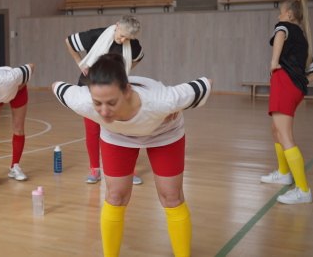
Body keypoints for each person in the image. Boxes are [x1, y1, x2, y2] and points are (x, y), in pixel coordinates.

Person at [52, 53, 213, 257]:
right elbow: (57, 85)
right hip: (117, 135)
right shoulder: (83, 102)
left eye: (111, 103)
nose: (104, 111)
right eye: (98, 103)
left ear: (127, 91)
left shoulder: (162, 101)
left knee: (171, 196)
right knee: (115, 196)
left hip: (164, 132)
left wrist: (179, 106)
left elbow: (206, 82)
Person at [65, 15, 145, 184]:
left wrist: (123, 69)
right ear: (117, 25)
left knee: (122, 130)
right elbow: (69, 41)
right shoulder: (96, 35)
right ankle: (95, 169)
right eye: (121, 35)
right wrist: (80, 61)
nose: (123, 40)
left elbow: (138, 58)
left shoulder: (133, 45)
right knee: (93, 130)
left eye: (127, 38)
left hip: (117, 91)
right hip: (90, 88)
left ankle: (128, 170)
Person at [260, 0, 313, 204]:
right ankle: (284, 173)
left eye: (280, 12)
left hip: (285, 84)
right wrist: (300, 81)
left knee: (284, 135)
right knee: (276, 130)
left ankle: (303, 190)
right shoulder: (303, 40)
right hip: (293, 87)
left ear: (288, 15)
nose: (278, 17)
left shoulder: (284, 26)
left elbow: (279, 35)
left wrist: (274, 62)